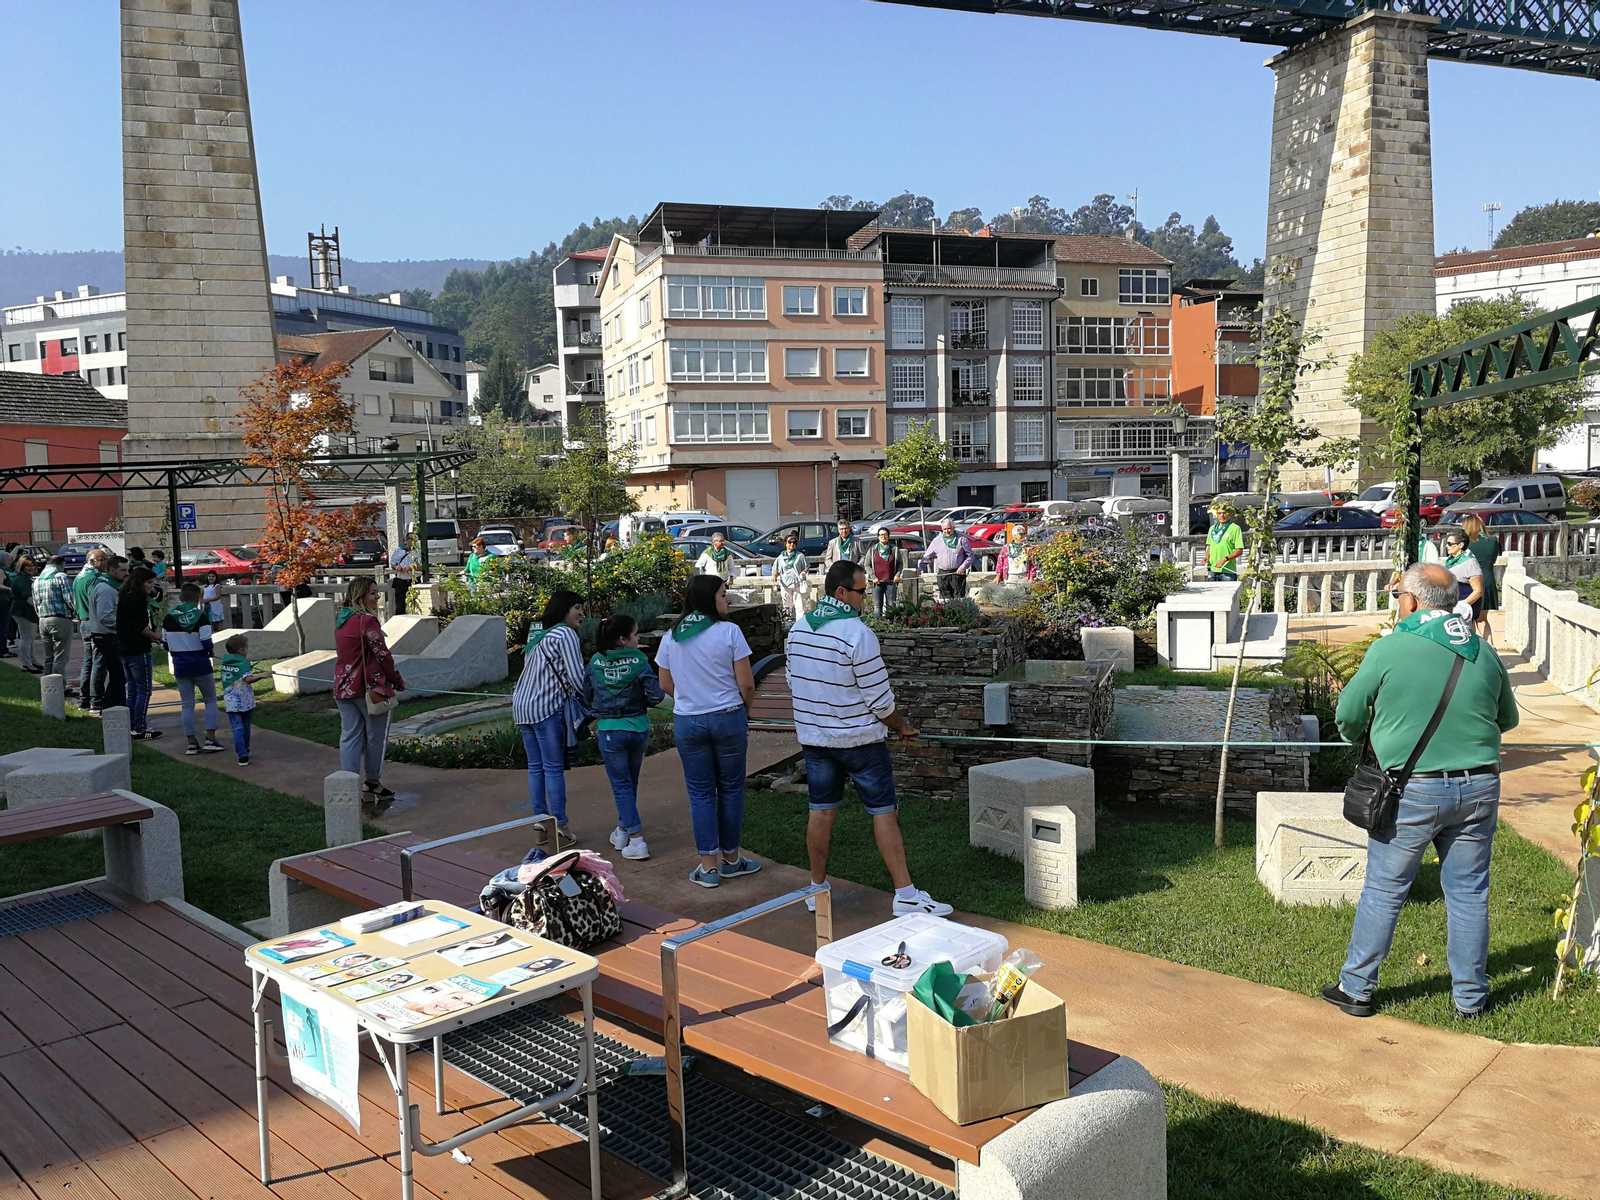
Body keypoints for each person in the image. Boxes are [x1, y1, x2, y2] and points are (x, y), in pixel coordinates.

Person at [1323, 563, 1517, 1021]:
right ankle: (1471, 1000)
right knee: (1469, 893)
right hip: (1481, 785)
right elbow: (1507, 720)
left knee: (1385, 889)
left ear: (1410, 602)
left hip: (1412, 789)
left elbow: (1348, 714)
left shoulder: (1391, 649)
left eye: (1397, 596)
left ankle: (1356, 988)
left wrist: (1369, 738)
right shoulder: (1483, 652)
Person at [786, 560, 952, 917]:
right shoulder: (858, 634)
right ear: (841, 592)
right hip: (860, 742)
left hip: (815, 741)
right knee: (884, 813)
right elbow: (879, 700)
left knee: (820, 812)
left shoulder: (798, 629)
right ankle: (905, 895)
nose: (866, 597)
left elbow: (792, 680)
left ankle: (816, 889)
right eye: (862, 591)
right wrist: (901, 727)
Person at [657, 574, 760, 888]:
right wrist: (746, 710)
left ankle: (708, 868)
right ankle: (731, 859)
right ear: (707, 600)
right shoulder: (729, 632)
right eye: (722, 595)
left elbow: (664, 684)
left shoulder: (671, 636)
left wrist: (691, 698)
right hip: (728, 716)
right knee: (730, 789)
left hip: (688, 721)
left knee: (700, 794)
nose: (726, 600)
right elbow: (746, 683)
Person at [511, 590, 587, 849]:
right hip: (546, 708)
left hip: (522, 708)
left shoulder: (538, 636)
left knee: (536, 767)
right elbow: (577, 677)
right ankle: (561, 826)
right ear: (565, 609)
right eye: (577, 607)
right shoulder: (565, 634)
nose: (581, 613)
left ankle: (540, 824)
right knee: (553, 768)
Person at [585, 613, 664, 861]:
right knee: (630, 783)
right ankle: (621, 831)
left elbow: (586, 696)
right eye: (635, 634)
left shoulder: (596, 662)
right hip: (638, 729)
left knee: (621, 785)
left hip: (610, 731)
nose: (638, 638)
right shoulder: (640, 660)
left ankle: (636, 840)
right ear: (623, 639)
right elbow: (656, 696)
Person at [332, 577, 406, 807]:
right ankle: (372, 782)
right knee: (375, 737)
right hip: (369, 688)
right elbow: (382, 655)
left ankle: (348, 785)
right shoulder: (366, 622)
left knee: (350, 736)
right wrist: (397, 680)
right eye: (373, 593)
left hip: (343, 686)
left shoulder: (342, 620)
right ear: (360, 596)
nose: (377, 597)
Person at [163, 582, 223, 755]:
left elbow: (165, 644)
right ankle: (211, 739)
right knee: (210, 700)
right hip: (201, 665)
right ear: (198, 598)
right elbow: (206, 641)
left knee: (187, 705)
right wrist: (209, 651)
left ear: (181, 597)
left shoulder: (169, 617)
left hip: (180, 666)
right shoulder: (201, 616)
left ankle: (191, 742)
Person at [116, 565, 164, 740]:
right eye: (149, 582)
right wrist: (158, 638)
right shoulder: (137, 600)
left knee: (133, 691)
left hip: (124, 649)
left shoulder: (125, 597)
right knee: (144, 691)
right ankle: (139, 728)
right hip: (137, 650)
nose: (151, 586)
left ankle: (131, 726)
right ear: (140, 582)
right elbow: (140, 627)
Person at [85, 555, 127, 712]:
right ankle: (111, 708)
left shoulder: (108, 586)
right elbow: (106, 617)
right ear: (111, 570)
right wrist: (123, 626)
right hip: (107, 637)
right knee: (118, 675)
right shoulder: (106, 589)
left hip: (106, 636)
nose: (126, 573)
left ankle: (112, 706)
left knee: (117, 674)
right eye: (122, 570)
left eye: (127, 569)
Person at [220, 634, 266, 765]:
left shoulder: (226, 662)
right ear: (241, 651)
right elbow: (248, 679)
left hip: (230, 703)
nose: (248, 650)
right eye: (247, 648)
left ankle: (242, 755)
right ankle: (245, 750)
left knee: (237, 728)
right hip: (245, 702)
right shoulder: (243, 663)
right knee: (245, 728)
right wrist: (263, 676)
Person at [34, 555, 77, 683]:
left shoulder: (38, 580)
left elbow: (36, 602)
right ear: (62, 564)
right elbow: (70, 599)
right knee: (60, 656)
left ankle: (47, 686)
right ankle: (60, 686)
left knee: (49, 657)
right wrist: (76, 614)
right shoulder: (61, 577)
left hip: (43, 619)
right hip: (60, 619)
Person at [74, 548, 108, 709]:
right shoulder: (94, 578)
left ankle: (84, 699)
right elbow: (96, 602)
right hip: (93, 623)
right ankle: (96, 700)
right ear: (93, 561)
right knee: (98, 663)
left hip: (83, 621)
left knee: (88, 662)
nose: (106, 563)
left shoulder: (79, 577)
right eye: (104, 559)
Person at [1461, 514, 1500, 640]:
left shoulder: (1465, 545)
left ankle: (1474, 649)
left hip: (1470, 584)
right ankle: (1491, 646)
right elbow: (1493, 560)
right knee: (1482, 619)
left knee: (1470, 619)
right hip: (1488, 581)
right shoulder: (1493, 541)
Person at [919, 518, 974, 599]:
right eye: (944, 529)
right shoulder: (937, 541)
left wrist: (963, 567)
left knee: (959, 599)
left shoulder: (962, 540)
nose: (947, 531)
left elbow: (970, 556)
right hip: (943, 574)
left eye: (949, 528)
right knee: (945, 599)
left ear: (953, 528)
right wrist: (920, 568)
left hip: (957, 573)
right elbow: (927, 556)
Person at [1441, 529, 1484, 623]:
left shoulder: (1470, 562)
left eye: (1450, 544)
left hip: (1465, 606)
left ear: (1460, 545)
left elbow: (1478, 591)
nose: (1446, 546)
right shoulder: (1450, 561)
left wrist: (1462, 605)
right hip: (1451, 604)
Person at [7, 555, 40, 673]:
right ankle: (26, 663)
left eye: (33, 565)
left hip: (26, 612)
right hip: (22, 612)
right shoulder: (22, 579)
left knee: (30, 637)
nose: (31, 568)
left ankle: (32, 660)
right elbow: (28, 597)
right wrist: (40, 609)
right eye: (28, 566)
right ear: (21, 566)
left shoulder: (25, 578)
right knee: (26, 637)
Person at [864, 527, 908, 617]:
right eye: (881, 535)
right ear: (878, 537)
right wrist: (873, 577)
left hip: (891, 582)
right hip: (877, 583)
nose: (883, 536)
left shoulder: (894, 550)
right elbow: (867, 565)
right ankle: (878, 626)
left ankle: (891, 625)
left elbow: (900, 564)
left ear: (888, 536)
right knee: (877, 607)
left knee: (891, 605)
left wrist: (897, 575)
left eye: (885, 534)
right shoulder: (872, 550)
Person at [775, 532, 810, 623]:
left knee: (799, 605)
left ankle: (800, 624)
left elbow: (806, 567)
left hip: (797, 583)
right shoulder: (780, 557)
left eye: (794, 542)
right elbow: (776, 569)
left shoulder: (800, 556)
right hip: (785, 583)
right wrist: (774, 576)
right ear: (785, 544)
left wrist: (803, 573)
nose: (792, 544)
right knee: (787, 604)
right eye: (790, 542)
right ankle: (788, 623)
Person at [1205, 501, 1244, 581]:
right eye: (1219, 513)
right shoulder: (1212, 529)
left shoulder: (1235, 528)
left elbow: (1239, 551)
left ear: (1229, 514)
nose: (1222, 515)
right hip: (1212, 569)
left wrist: (1224, 559)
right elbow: (1210, 546)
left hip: (1227, 571)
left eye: (1224, 513)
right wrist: (1206, 557)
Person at [389, 536, 416, 616]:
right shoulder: (398, 550)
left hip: (413, 581)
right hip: (401, 581)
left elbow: (422, 567)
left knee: (415, 605)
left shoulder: (418, 551)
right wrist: (397, 567)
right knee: (400, 607)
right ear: (407, 541)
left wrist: (412, 568)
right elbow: (393, 564)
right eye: (410, 541)